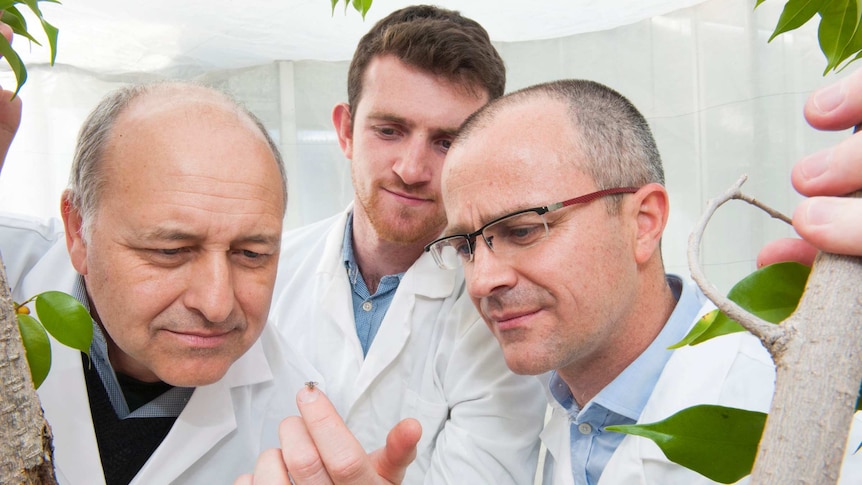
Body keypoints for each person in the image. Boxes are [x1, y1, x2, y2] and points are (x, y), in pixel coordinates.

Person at [423, 78, 862, 484]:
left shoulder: (794, 406)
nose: (482, 282)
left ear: (644, 222)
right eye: (465, 247)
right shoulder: (559, 406)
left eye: (522, 230)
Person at [268, 4, 546, 484]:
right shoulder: (268, 272)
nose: (411, 169)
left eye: (446, 142)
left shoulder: (505, 313)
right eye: (389, 130)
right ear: (344, 131)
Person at [0, 76, 315, 482]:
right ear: (79, 229)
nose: (217, 304)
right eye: (170, 251)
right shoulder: (10, 264)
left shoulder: (299, 419)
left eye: (252, 254)